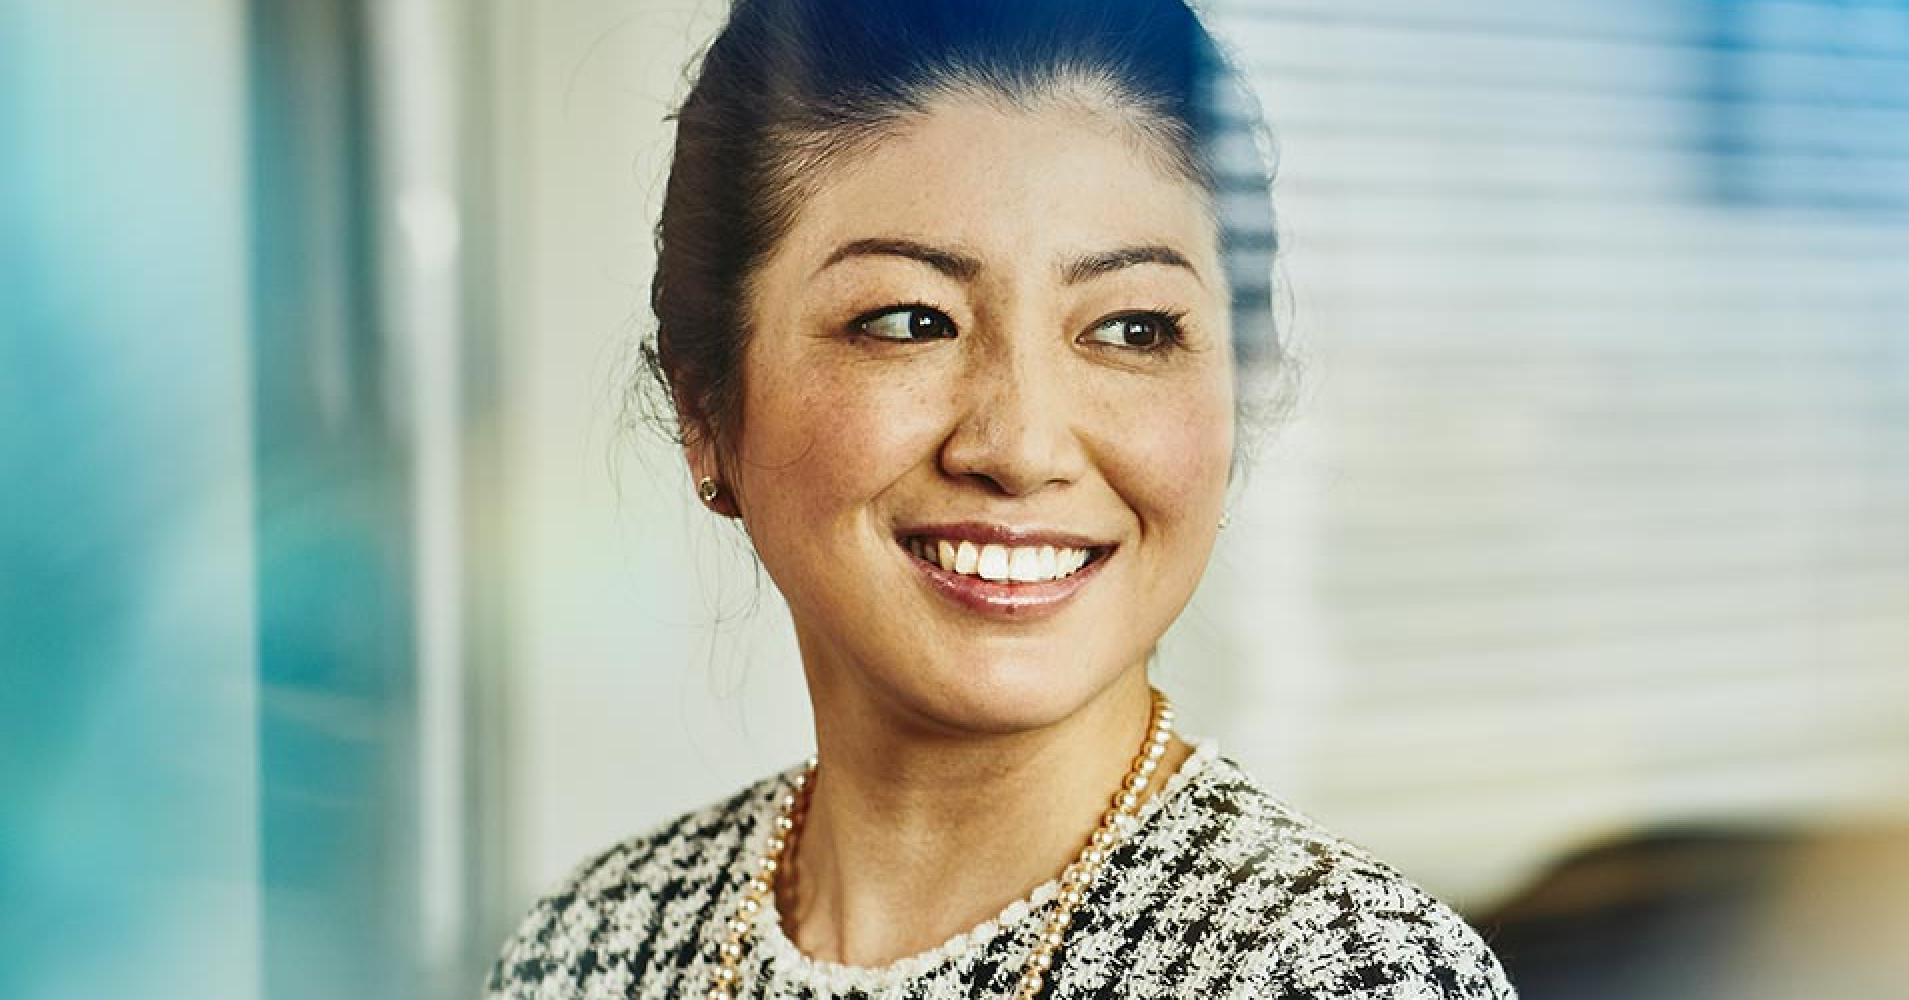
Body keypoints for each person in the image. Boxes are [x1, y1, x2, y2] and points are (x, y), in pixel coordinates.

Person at [483, 1, 1515, 997]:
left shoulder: (1341, 974)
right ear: (708, 406)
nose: (1021, 446)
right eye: (909, 319)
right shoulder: (586, 947)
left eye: (1133, 330)